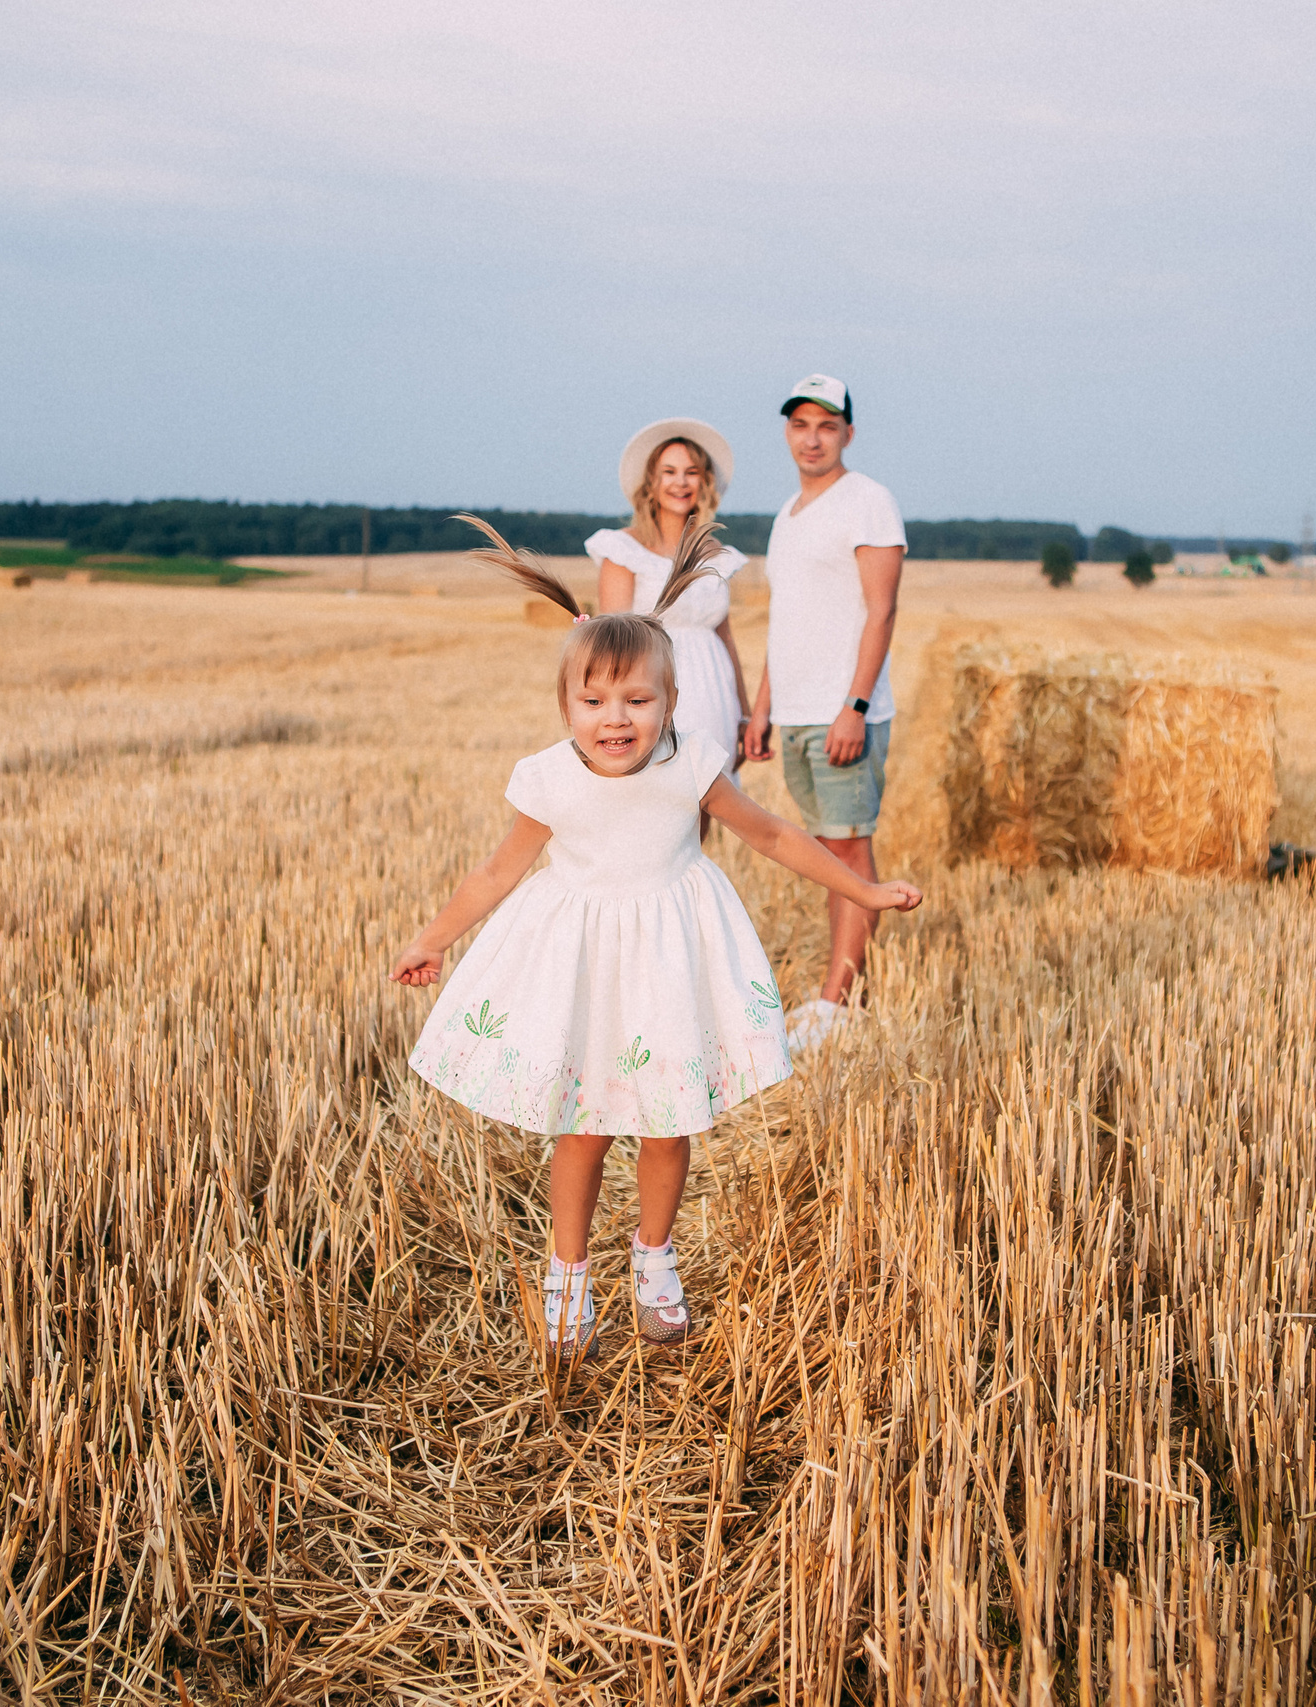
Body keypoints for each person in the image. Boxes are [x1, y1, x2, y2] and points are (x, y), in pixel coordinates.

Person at [392, 517, 923, 1359]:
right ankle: (569, 1270)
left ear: (671, 702)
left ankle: (654, 1256)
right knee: (584, 1124)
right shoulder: (548, 778)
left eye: (638, 700)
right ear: (565, 705)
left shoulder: (689, 761)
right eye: (594, 701)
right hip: (583, 967)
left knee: (669, 1121)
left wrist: (863, 887)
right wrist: (432, 938)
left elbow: (777, 837)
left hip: (669, 962)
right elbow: (494, 875)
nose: (616, 718)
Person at [741, 374, 906, 1052]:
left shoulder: (868, 502)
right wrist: (762, 709)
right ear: (787, 432)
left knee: (848, 845)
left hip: (844, 712)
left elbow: (882, 609)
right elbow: (789, 621)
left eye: (827, 426)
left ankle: (839, 1001)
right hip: (798, 712)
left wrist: (855, 706)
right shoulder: (788, 515)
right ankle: (840, 991)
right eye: (801, 424)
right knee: (825, 850)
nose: (812, 437)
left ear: (849, 434)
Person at [586, 421, 753, 802]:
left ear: (705, 482)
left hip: (715, 696)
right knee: (650, 806)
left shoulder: (715, 554)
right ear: (651, 482)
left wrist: (743, 713)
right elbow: (611, 644)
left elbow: (723, 637)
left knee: (708, 805)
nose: (681, 483)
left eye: (691, 472)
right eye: (670, 472)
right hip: (652, 694)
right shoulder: (624, 550)